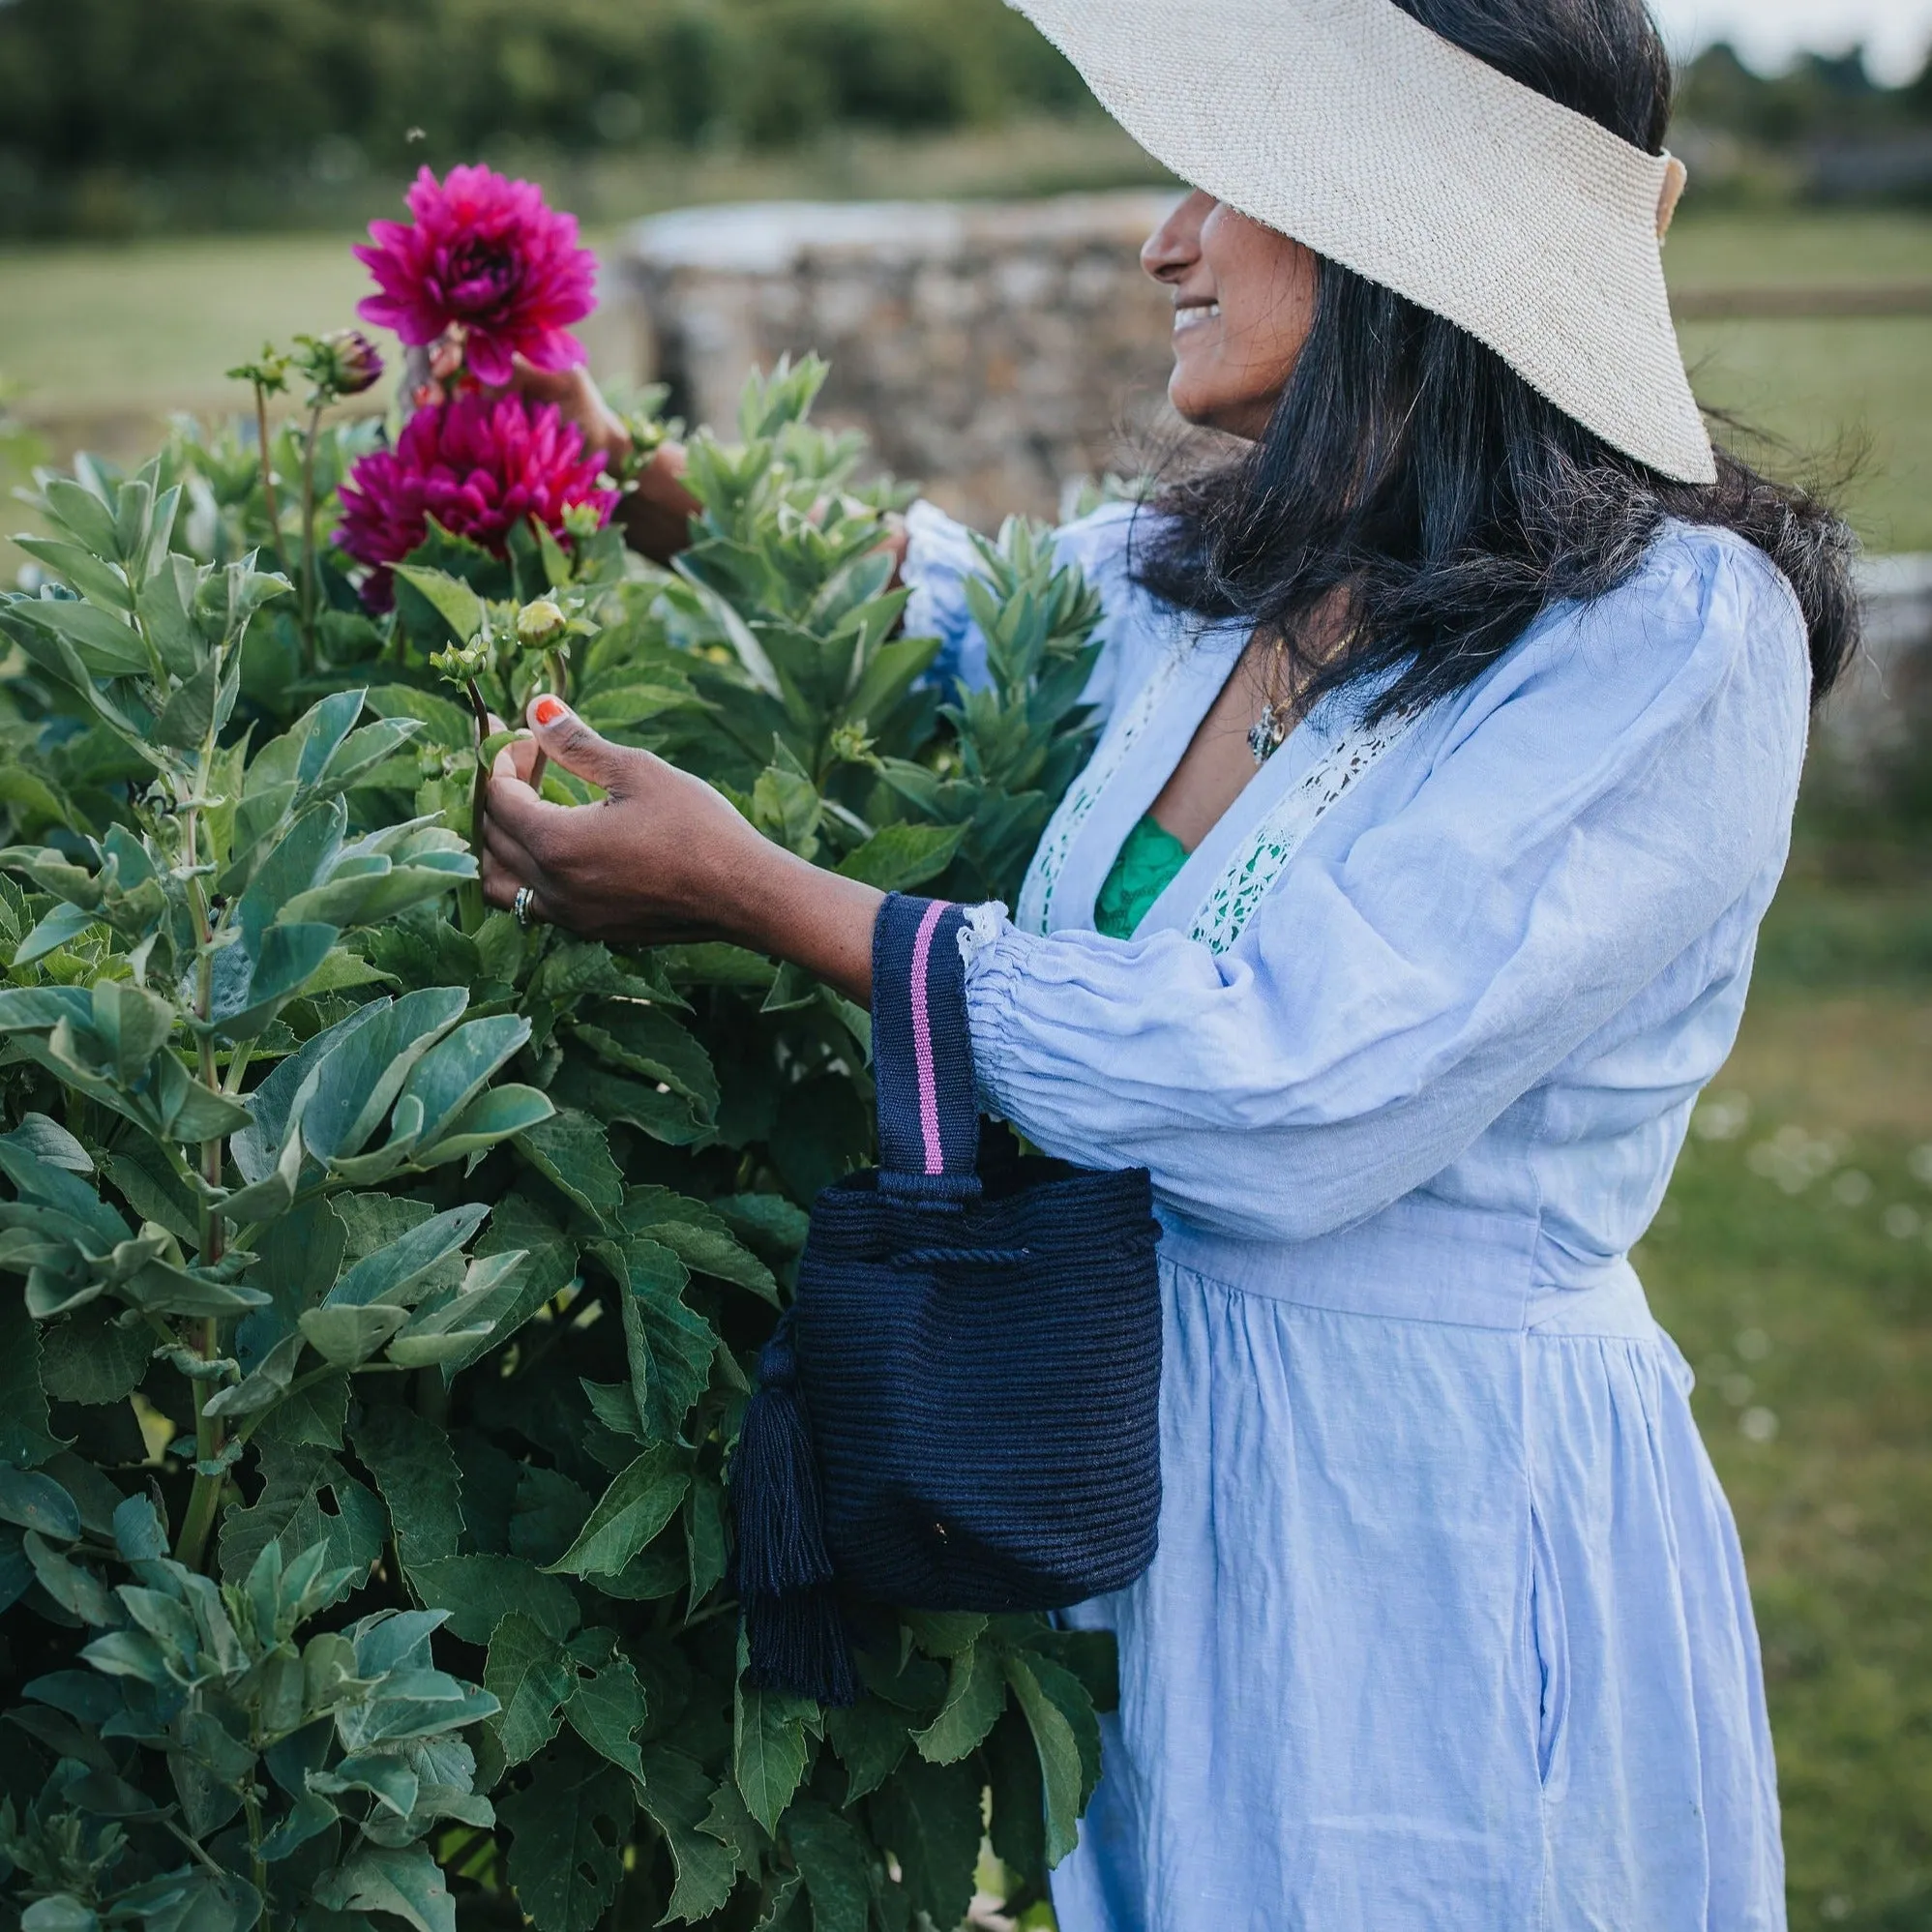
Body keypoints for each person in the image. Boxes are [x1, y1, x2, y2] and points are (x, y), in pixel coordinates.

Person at [481, 0, 1858, 1922]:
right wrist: (560, 439)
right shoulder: (1209, 581)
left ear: (1406, 224)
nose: (1163, 240)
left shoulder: (1660, 640)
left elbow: (1278, 1094)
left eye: (1236, 181)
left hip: (1422, 1513)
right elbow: (932, 595)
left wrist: (761, 892)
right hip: (1162, 1473)